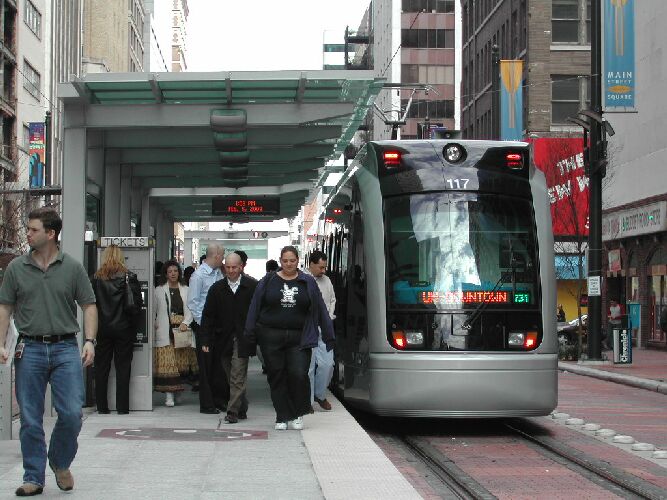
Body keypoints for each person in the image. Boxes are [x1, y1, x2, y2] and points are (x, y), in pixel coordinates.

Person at [0, 207, 98, 496]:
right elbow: (5, 307)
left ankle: (59, 460)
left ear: (51, 233)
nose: (27, 233)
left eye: (32, 229)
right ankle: (33, 476)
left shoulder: (72, 267)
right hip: (28, 348)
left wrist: (90, 340)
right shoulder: (17, 268)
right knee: (30, 417)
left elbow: (89, 305)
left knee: (71, 414)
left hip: (66, 347)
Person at [245, 246, 335, 431]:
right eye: (285, 261)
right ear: (280, 261)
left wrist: (329, 335)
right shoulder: (268, 281)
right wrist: (249, 333)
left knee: (298, 374)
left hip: (299, 337)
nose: (288, 264)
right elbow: (255, 306)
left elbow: (320, 309)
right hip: (271, 336)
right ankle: (282, 415)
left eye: (292, 260)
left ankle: (298, 413)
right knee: (277, 375)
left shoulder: (308, 282)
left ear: (298, 260)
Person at [201, 252, 258, 423]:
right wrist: (205, 339)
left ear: (241, 267)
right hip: (222, 339)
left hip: (243, 338)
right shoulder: (217, 288)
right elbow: (208, 316)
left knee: (237, 374)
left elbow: (259, 313)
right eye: (228, 267)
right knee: (229, 375)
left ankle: (232, 411)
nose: (231, 271)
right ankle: (242, 406)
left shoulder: (252, 286)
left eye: (234, 267)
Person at [91, 245, 143, 415]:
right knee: (123, 367)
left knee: (101, 368)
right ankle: (122, 407)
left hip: (102, 328)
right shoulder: (129, 276)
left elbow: (92, 305)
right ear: (121, 257)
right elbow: (137, 305)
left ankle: (102, 407)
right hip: (124, 329)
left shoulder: (97, 278)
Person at [187, 244, 227, 414]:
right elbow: (193, 303)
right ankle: (207, 403)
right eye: (222, 256)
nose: (223, 259)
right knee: (205, 366)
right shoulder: (198, 276)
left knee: (218, 365)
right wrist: (204, 325)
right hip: (205, 326)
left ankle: (218, 400)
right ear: (216, 256)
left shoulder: (219, 273)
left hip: (218, 325)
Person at [153, 260, 197, 406]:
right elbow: (154, 309)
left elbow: (191, 307)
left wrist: (186, 322)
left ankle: (177, 392)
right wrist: (154, 322)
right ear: (165, 274)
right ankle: (169, 396)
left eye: (175, 271)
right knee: (168, 364)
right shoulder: (158, 290)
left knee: (179, 364)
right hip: (165, 329)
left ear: (179, 273)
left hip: (181, 329)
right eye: (170, 271)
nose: (173, 274)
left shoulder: (186, 289)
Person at [306, 250, 336, 412]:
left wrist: (329, 317)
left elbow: (332, 300)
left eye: (324, 267)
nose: (323, 271)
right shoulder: (302, 279)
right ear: (311, 264)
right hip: (308, 327)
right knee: (309, 367)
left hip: (324, 327)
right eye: (320, 267)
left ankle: (320, 394)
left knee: (328, 364)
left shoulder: (327, 281)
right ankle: (308, 401)